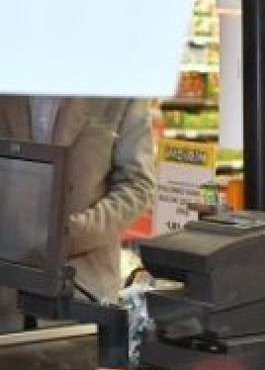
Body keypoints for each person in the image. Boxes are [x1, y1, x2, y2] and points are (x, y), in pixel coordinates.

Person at [0, 96, 156, 329]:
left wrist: (68, 235)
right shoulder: (9, 78)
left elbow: (137, 184)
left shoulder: (120, 87)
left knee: (73, 363)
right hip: (5, 287)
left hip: (81, 289)